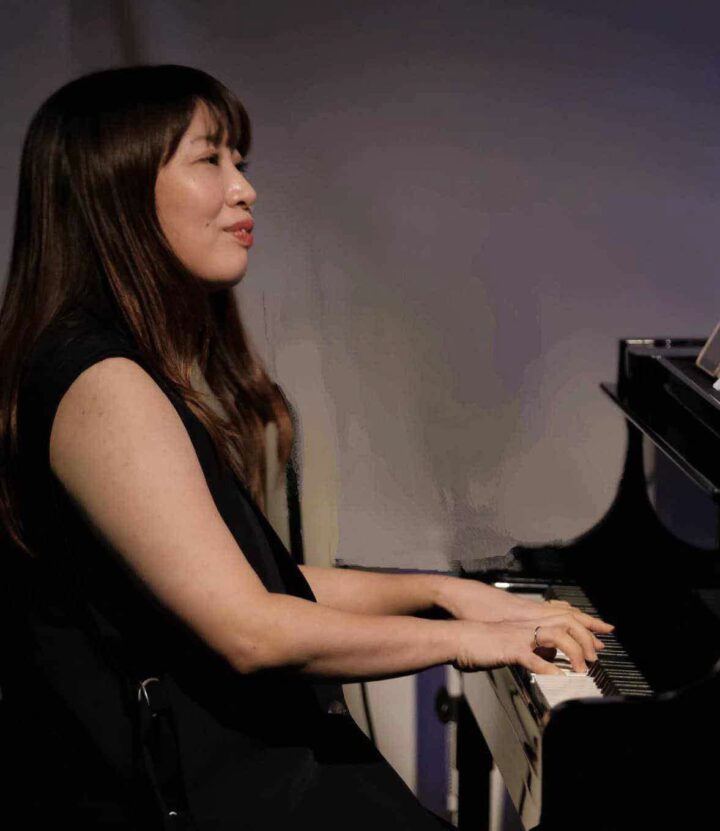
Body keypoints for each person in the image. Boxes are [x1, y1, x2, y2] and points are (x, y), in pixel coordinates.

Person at [0, 64, 612, 830]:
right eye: (210, 158)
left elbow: (254, 579)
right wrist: (467, 639)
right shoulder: (99, 382)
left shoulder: (94, 363)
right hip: (209, 795)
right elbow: (250, 628)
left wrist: (443, 590)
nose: (244, 189)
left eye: (240, 161)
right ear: (112, 189)